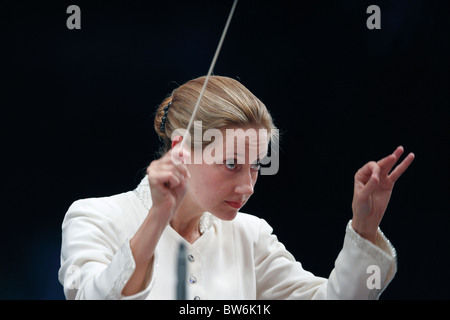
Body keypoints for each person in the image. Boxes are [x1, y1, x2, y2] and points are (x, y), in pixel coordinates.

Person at [58, 75, 414, 300]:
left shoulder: (250, 235)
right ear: (181, 150)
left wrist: (364, 230)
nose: (247, 186)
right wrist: (156, 218)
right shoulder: (94, 217)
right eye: (231, 164)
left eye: (256, 166)